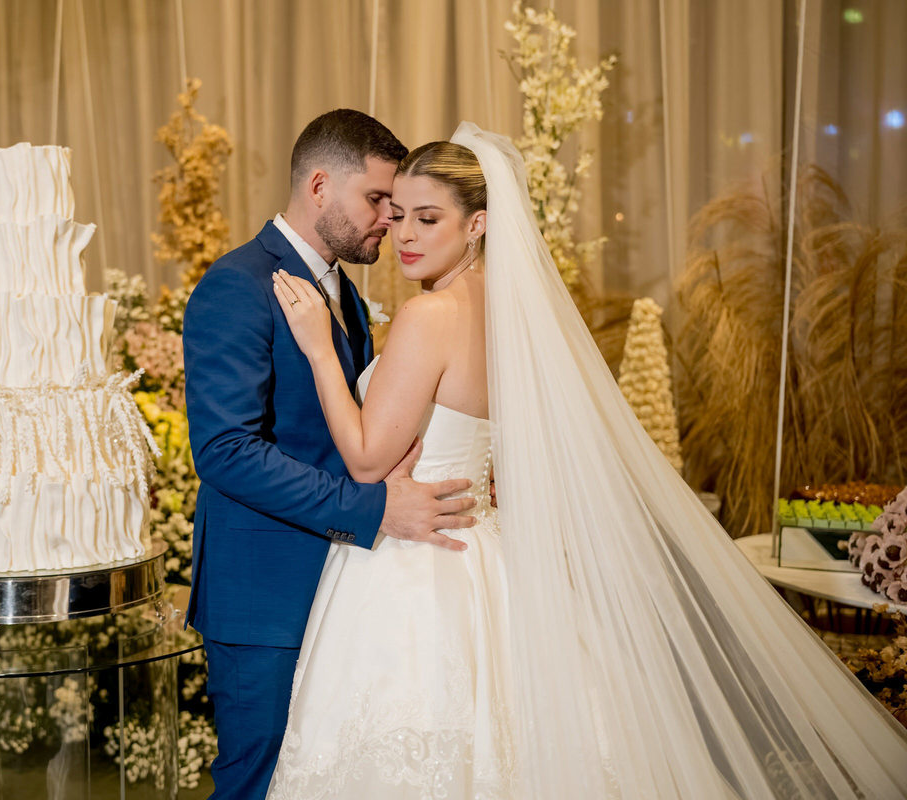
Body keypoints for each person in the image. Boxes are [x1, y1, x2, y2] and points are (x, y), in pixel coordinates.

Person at [266, 123, 907, 798]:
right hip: (488, 552)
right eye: (397, 216)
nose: (405, 235)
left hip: (417, 561)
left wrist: (319, 348)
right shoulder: (504, 312)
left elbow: (368, 463)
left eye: (428, 219)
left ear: (477, 223)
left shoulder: (431, 316)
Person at [182, 108, 478, 800]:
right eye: (378, 200)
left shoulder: (345, 294)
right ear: (320, 186)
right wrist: (374, 506)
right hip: (265, 595)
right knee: (257, 782)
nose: (390, 222)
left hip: (345, 586)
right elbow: (226, 451)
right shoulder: (238, 286)